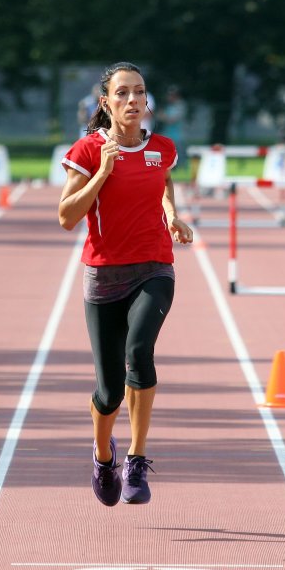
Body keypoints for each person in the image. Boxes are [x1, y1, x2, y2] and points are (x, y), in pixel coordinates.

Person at [58, 62, 193, 507]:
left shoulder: (163, 148)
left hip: (154, 266)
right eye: (123, 93)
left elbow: (164, 181)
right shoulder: (87, 151)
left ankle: (136, 458)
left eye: (140, 92)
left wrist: (172, 215)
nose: (133, 100)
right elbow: (66, 217)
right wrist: (101, 173)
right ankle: (102, 455)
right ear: (106, 103)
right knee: (110, 389)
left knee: (140, 352)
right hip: (103, 276)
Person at [156, 86, 187, 162]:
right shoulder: (168, 106)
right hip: (168, 134)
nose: (169, 97)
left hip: (178, 136)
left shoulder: (180, 105)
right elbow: (158, 116)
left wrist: (163, 116)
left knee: (179, 157)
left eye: (171, 95)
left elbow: (172, 119)